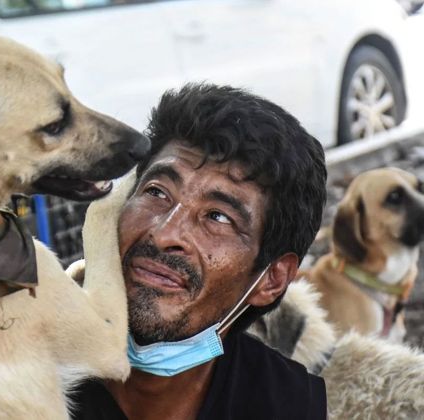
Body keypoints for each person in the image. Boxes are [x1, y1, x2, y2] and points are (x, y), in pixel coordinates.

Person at [71, 83, 328, 419]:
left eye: (218, 217)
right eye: (157, 192)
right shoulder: (18, 370)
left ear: (271, 279)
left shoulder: (285, 405)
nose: (165, 233)